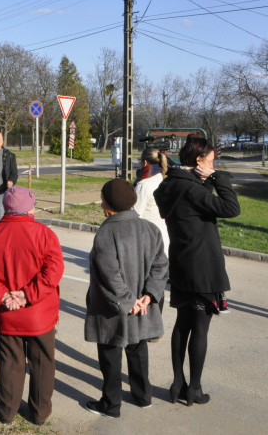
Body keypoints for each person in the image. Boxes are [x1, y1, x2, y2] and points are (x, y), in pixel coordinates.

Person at [153, 134, 240, 406]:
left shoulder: (171, 185)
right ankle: (194, 389)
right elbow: (231, 208)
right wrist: (217, 178)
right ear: (200, 161)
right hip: (202, 267)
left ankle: (178, 382)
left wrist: (207, 178)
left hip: (181, 263)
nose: (214, 165)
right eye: (211, 161)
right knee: (200, 328)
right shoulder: (194, 190)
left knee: (183, 324)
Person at [0, 186, 64, 426]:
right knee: (42, 363)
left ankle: (7, 410)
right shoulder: (45, 234)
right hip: (39, 313)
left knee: (10, 362)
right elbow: (53, 272)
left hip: (7, 312)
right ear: (29, 208)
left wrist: (3, 295)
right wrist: (27, 295)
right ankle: (40, 413)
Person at [83, 178, 168, 416]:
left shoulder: (106, 232)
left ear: (109, 204)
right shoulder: (151, 229)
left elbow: (110, 275)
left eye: (102, 199)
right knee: (138, 347)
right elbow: (161, 267)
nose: (101, 204)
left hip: (112, 308)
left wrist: (128, 301)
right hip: (141, 305)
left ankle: (111, 404)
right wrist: (149, 296)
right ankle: (143, 396)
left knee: (110, 353)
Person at [133, 148, 171, 260]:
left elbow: (135, 215)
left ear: (145, 162)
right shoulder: (165, 180)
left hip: (147, 236)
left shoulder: (143, 185)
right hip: (164, 234)